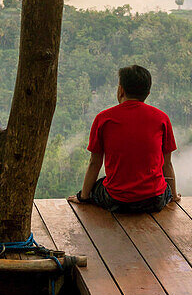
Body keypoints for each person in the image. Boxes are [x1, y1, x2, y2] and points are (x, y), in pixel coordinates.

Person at [69, 64, 179, 213]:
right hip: (154, 200)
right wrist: (172, 196)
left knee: (100, 185)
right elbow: (167, 164)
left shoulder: (103, 119)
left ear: (121, 90)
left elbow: (95, 163)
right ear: (148, 92)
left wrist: (83, 197)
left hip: (117, 200)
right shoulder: (161, 119)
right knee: (162, 187)